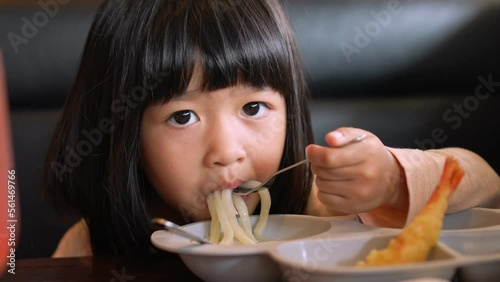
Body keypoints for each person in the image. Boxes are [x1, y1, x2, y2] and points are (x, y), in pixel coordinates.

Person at [44, 0, 499, 258]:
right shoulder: (93, 243)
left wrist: (393, 180)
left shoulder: (318, 213)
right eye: (183, 116)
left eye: (254, 107)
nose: (227, 152)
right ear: (125, 134)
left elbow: (484, 179)